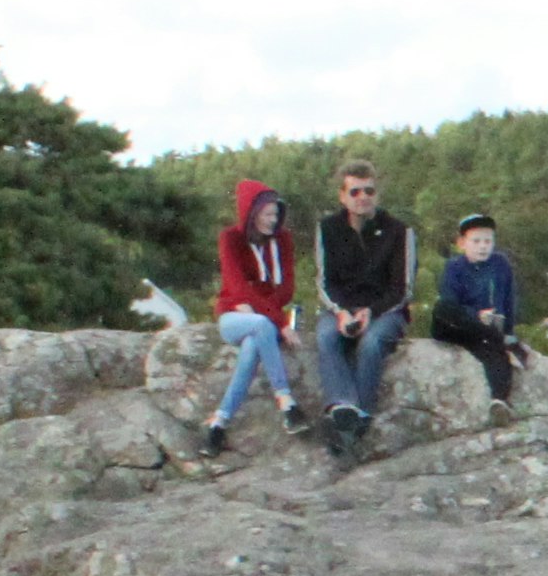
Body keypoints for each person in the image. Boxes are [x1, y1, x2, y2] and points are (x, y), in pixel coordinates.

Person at [311, 157, 416, 459]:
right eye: (355, 192)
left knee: (371, 343)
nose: (362, 198)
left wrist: (372, 311)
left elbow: (403, 289)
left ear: (377, 194)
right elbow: (324, 282)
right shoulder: (328, 229)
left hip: (386, 309)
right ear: (342, 196)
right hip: (342, 307)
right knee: (327, 337)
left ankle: (359, 415)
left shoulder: (398, 231)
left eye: (368, 191)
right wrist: (342, 312)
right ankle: (343, 405)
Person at [202, 179, 306, 452]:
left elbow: (286, 288)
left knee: (252, 347)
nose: (273, 220)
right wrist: (279, 322)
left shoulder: (282, 240)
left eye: (276, 214)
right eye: (267, 214)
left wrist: (268, 314)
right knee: (260, 325)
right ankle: (286, 401)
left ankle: (218, 423)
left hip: (262, 319)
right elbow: (236, 287)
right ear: (252, 212)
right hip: (232, 316)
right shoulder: (230, 239)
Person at [431, 209, 527, 421]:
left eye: (487, 241)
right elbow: (449, 301)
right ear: (462, 243)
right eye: (476, 241)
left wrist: (508, 331)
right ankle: (493, 335)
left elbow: (509, 299)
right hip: (458, 326)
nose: (483, 246)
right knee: (442, 308)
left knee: (495, 351)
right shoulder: (454, 267)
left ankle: (499, 400)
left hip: (486, 331)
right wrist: (475, 315)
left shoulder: (500, 264)